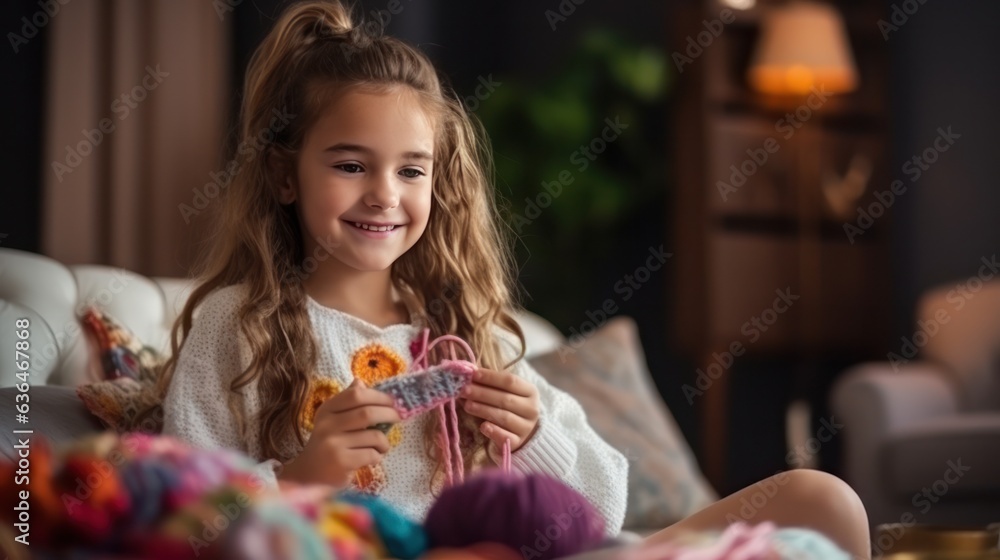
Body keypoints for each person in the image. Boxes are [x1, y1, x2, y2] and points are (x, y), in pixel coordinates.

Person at [157, 1, 871, 556]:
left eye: (411, 170)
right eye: (350, 165)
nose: (384, 194)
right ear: (284, 174)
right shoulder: (236, 325)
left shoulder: (464, 332)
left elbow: (605, 508)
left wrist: (534, 435)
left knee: (822, 500)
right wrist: (295, 483)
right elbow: (176, 522)